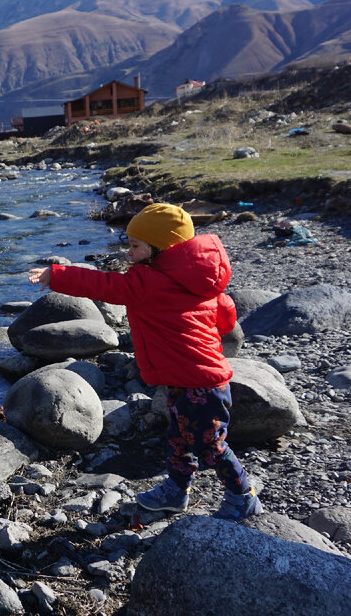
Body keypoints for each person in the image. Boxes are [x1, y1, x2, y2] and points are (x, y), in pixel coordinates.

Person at [27, 202, 262, 521]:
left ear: (162, 248)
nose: (128, 253)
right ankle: (177, 492)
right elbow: (225, 314)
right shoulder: (200, 281)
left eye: (135, 246)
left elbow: (104, 285)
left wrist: (57, 275)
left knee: (211, 447)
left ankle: (242, 496)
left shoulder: (147, 282)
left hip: (201, 383)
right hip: (191, 380)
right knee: (178, 439)